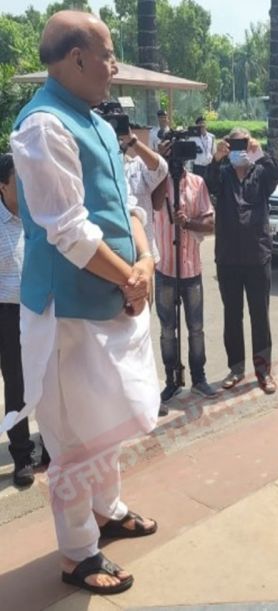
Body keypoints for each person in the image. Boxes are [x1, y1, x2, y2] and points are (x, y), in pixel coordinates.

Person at [8, 10, 161, 594]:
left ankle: (106, 508)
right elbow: (67, 230)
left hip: (110, 301)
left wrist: (143, 261)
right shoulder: (44, 125)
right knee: (73, 437)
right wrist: (131, 279)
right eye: (109, 54)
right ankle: (77, 553)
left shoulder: (93, 120)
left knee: (108, 423)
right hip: (66, 313)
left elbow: (129, 205)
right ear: (76, 59)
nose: (114, 66)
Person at [207, 128, 278, 394]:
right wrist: (217, 158)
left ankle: (263, 372)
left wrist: (258, 152)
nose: (239, 149)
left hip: (257, 254)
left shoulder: (260, 172)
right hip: (228, 256)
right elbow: (209, 184)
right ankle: (236, 368)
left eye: (243, 143)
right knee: (232, 315)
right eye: (235, 143)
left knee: (259, 315)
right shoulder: (224, 172)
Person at [154, 164, 217, 405]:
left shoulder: (197, 182)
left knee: (196, 328)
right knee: (168, 331)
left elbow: (210, 225)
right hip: (165, 268)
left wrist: (187, 223)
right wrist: (161, 169)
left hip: (191, 269)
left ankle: (198, 378)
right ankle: (172, 381)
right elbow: (153, 205)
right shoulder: (157, 182)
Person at [0, 153, 44, 488]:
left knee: (46, 380)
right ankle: (21, 455)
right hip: (7, 312)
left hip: (40, 309)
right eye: (19, 180)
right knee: (15, 385)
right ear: (3, 185)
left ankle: (50, 447)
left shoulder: (38, 217)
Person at [119, 127, 168, 266]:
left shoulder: (137, 165)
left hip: (144, 256)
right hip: (112, 256)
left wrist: (132, 141)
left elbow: (161, 169)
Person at [190, 116, 214, 181]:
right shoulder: (192, 138)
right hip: (198, 167)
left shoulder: (211, 136)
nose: (202, 125)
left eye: (204, 123)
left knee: (209, 186)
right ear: (197, 125)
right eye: (200, 123)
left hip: (209, 166)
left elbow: (212, 151)